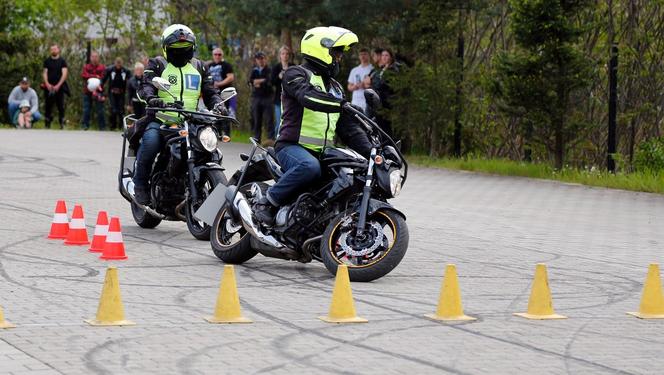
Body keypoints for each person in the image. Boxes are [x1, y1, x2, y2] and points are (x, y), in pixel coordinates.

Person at [253, 26, 372, 225]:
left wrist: (374, 154)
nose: (339, 57)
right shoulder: (296, 74)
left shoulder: (335, 87)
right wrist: (341, 104)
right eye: (336, 52)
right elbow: (308, 96)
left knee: (352, 172)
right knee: (309, 167)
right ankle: (267, 202)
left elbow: (349, 130)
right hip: (291, 147)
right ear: (320, 49)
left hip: (323, 152)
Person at [133, 24, 222, 205]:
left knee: (211, 151)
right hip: (161, 120)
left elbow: (211, 92)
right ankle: (140, 185)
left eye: (185, 48)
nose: (181, 52)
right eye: (176, 49)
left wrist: (220, 105)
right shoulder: (158, 64)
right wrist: (152, 99)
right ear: (166, 49)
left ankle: (212, 213)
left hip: (190, 122)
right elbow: (146, 85)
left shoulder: (199, 66)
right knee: (151, 142)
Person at [363, 48, 398, 137]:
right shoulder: (378, 70)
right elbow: (367, 82)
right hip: (374, 100)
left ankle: (388, 146)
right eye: (382, 55)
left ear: (391, 57)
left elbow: (387, 85)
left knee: (385, 126)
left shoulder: (394, 69)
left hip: (385, 103)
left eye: (386, 55)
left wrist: (373, 83)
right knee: (369, 122)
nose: (384, 57)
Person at [207, 47, 235, 136]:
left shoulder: (226, 65)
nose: (217, 56)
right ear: (213, 55)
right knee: (214, 113)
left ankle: (226, 135)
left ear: (222, 55)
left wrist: (218, 84)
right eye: (215, 54)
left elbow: (230, 77)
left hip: (225, 93)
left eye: (219, 54)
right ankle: (216, 134)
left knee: (225, 113)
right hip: (213, 93)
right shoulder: (209, 65)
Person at [248, 51, 274, 143]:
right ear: (256, 60)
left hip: (267, 97)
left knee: (269, 119)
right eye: (258, 59)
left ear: (265, 59)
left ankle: (271, 138)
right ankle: (257, 138)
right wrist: (259, 81)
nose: (260, 61)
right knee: (256, 118)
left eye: (262, 58)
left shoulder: (269, 70)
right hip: (256, 97)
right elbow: (250, 81)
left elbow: (269, 81)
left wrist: (257, 82)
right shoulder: (254, 70)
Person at [42, 44, 69, 129]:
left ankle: (62, 123)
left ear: (58, 50)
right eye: (52, 49)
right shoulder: (47, 61)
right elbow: (45, 73)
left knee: (60, 106)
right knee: (48, 106)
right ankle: (47, 124)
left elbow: (64, 74)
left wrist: (58, 85)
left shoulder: (62, 61)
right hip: (49, 87)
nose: (53, 50)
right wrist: (47, 84)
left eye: (55, 49)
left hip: (59, 88)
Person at [102, 57, 131, 130]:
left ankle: (121, 126)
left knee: (121, 110)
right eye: (117, 63)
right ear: (115, 63)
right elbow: (103, 80)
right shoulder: (110, 69)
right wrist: (102, 91)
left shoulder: (126, 71)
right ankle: (112, 126)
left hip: (121, 93)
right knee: (113, 109)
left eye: (120, 63)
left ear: (122, 63)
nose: (118, 65)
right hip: (112, 92)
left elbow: (131, 81)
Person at [81, 51, 106, 130]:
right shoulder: (86, 67)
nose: (94, 58)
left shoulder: (102, 67)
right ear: (90, 58)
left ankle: (102, 127)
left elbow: (103, 77)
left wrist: (95, 77)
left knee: (100, 110)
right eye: (93, 57)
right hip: (87, 92)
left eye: (96, 57)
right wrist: (95, 76)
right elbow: (84, 75)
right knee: (86, 109)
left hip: (99, 92)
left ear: (98, 58)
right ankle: (85, 125)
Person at [270, 46, 292, 134]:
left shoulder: (293, 67)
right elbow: (271, 82)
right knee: (279, 122)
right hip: (279, 99)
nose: (285, 56)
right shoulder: (276, 68)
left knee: (290, 121)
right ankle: (277, 141)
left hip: (291, 99)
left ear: (289, 56)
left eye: (287, 54)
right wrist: (279, 77)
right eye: (283, 54)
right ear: (280, 55)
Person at [346, 48, 373, 112]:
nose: (363, 56)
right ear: (359, 56)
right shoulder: (354, 70)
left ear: (369, 55)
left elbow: (375, 86)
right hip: (355, 101)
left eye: (365, 54)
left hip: (367, 102)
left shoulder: (372, 69)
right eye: (361, 54)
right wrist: (354, 87)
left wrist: (365, 86)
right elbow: (349, 86)